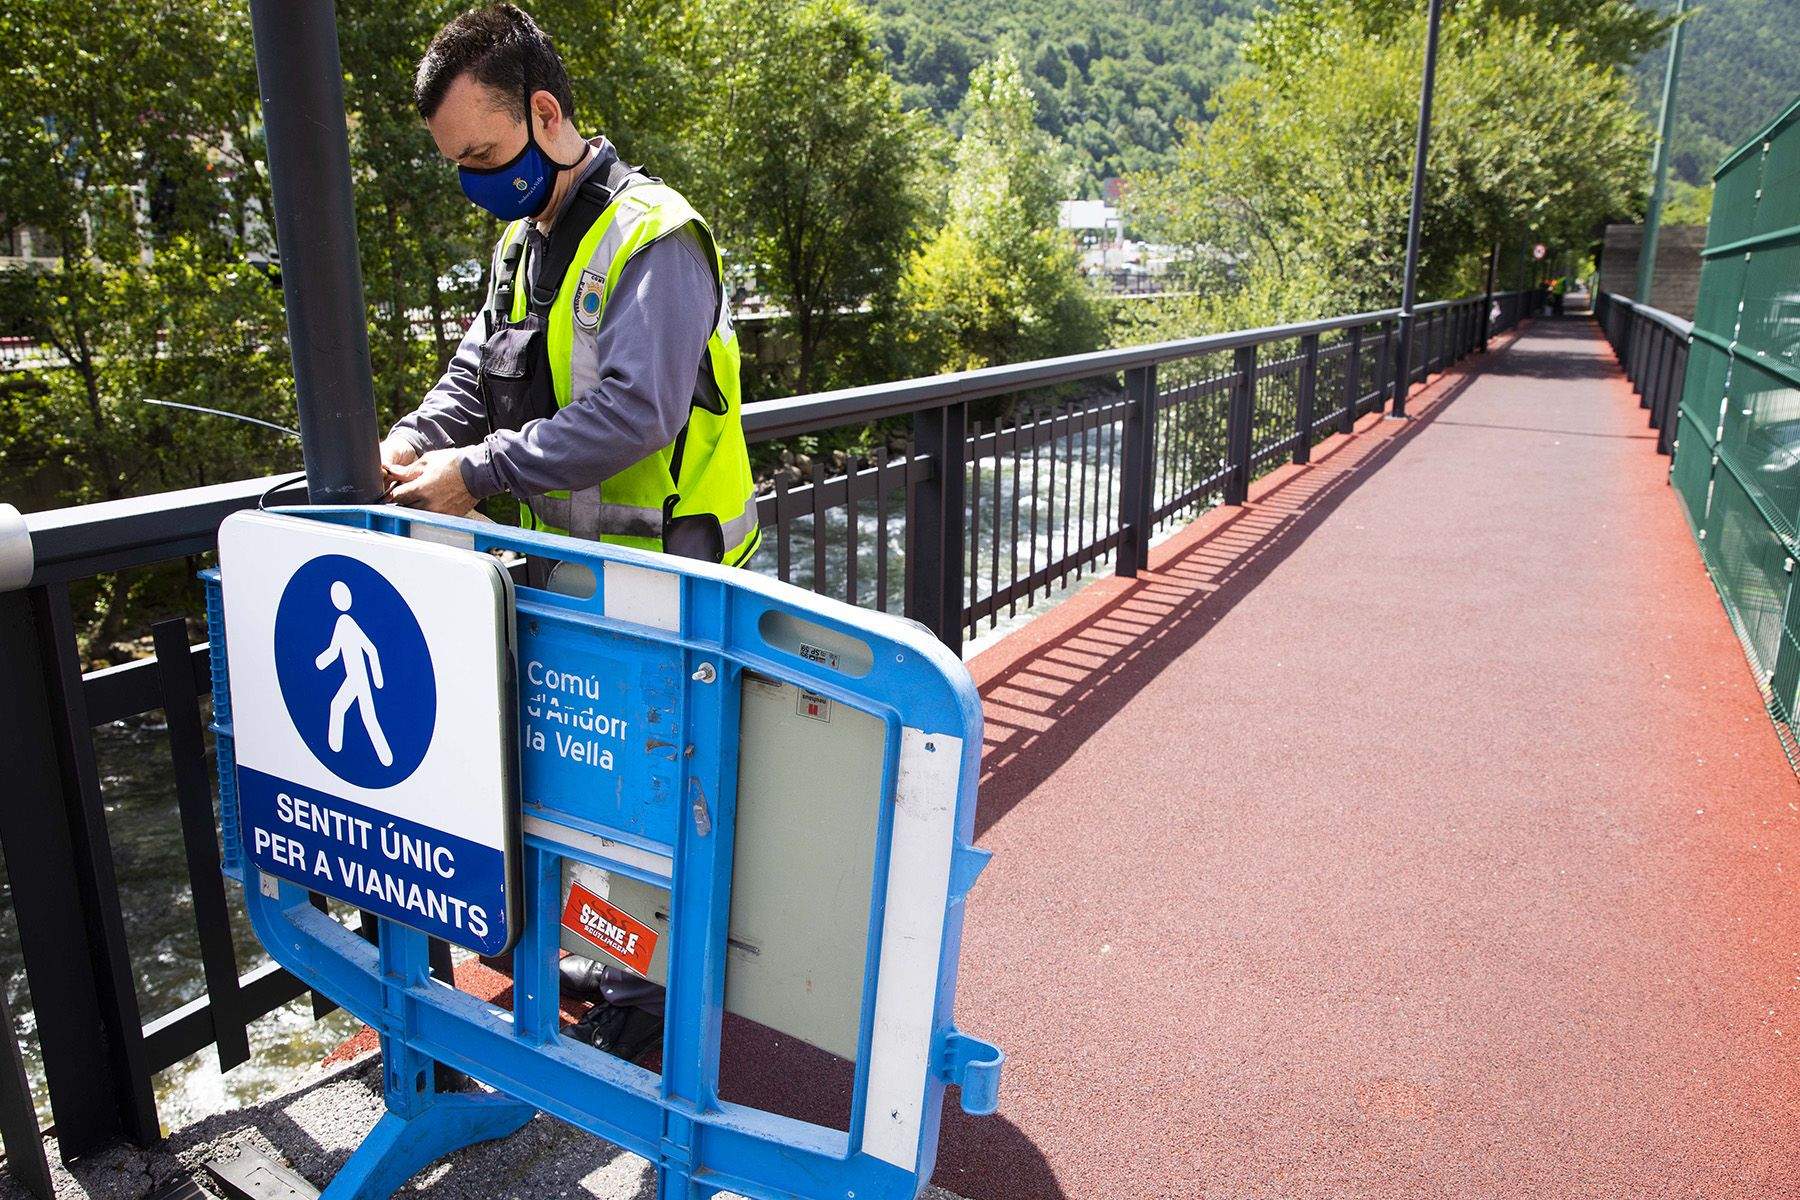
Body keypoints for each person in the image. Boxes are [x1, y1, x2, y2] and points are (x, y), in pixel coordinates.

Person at [385, 3, 759, 1062]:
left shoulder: (656, 234)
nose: (472, 179)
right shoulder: (522, 244)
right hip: (579, 573)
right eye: (456, 162)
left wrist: (481, 473)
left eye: (486, 154)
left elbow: (636, 410)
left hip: (673, 576)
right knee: (589, 787)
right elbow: (475, 374)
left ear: (547, 116)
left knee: (665, 796)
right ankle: (616, 968)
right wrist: (414, 440)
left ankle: (663, 1013)